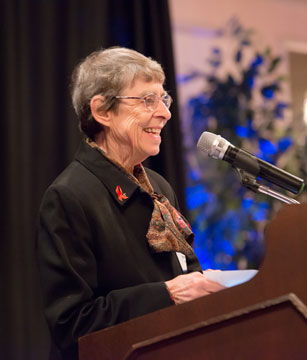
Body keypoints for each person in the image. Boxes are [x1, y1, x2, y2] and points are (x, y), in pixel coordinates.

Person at [36, 47, 224, 360]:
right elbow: (71, 325)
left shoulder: (158, 186)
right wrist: (168, 295)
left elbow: (184, 277)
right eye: (148, 100)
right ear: (102, 111)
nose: (165, 113)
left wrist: (204, 287)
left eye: (164, 99)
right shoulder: (68, 197)